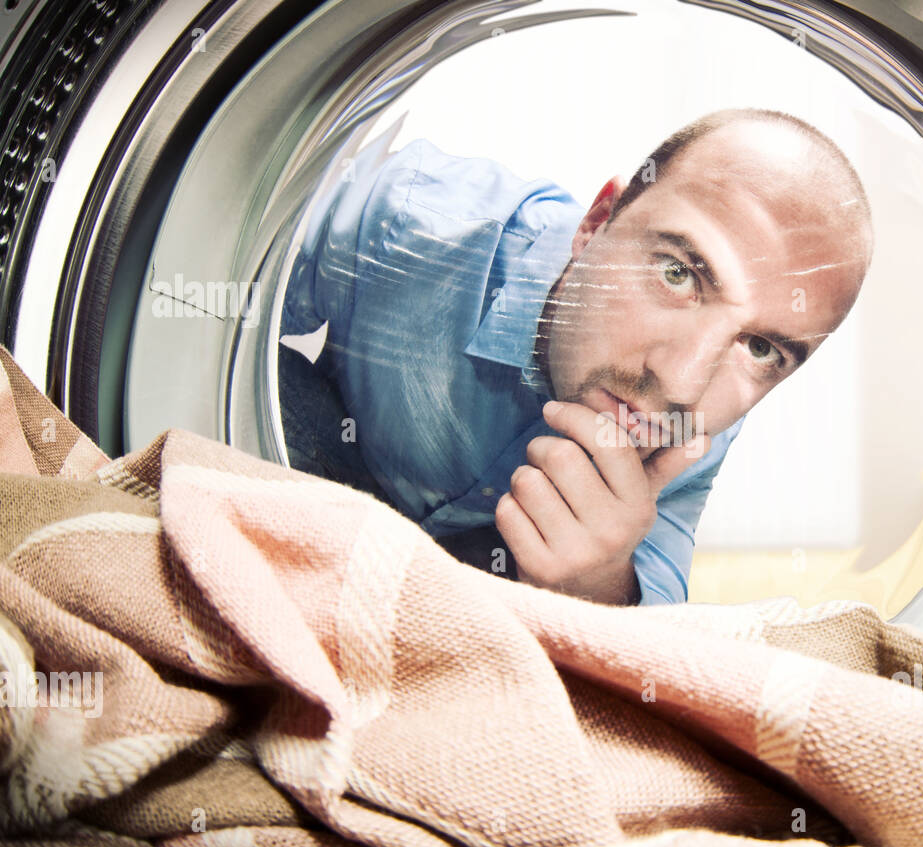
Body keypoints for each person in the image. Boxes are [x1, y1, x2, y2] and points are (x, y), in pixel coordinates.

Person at [277, 108, 873, 605]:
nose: (682, 383)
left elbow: (655, 608)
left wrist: (598, 579)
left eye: (761, 347)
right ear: (597, 221)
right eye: (678, 274)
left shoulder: (697, 426)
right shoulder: (412, 219)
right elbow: (211, 289)